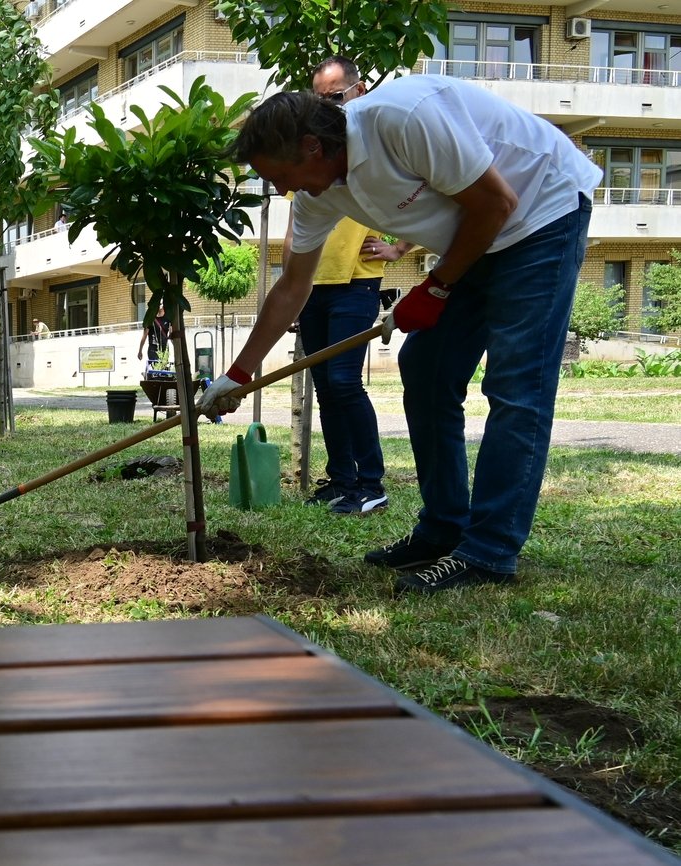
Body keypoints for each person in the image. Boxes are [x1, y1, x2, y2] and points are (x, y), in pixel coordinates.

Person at [198, 76, 598, 595]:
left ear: (312, 147)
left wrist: (434, 289)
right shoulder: (319, 196)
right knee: (426, 368)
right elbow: (294, 286)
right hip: (475, 234)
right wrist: (239, 372)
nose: (282, 190)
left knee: (517, 384)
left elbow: (497, 203)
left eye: (281, 175)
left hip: (540, 213)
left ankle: (489, 550)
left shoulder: (403, 117)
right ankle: (442, 528)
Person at [295, 57, 413, 516]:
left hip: (355, 283)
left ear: (359, 90)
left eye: (334, 97)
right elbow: (295, 229)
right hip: (313, 286)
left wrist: (398, 249)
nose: (325, 107)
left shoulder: (377, 143)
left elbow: (423, 191)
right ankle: (341, 479)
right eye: (317, 100)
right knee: (325, 385)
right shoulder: (315, 153)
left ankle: (372, 483)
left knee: (344, 381)